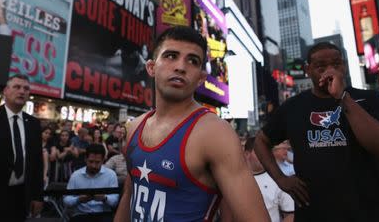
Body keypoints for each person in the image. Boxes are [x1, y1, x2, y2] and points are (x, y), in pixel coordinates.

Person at [114, 26, 269, 222]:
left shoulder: (215, 133)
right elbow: (130, 194)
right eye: (171, 56)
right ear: (151, 67)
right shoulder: (134, 127)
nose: (181, 66)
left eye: (193, 61)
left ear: (201, 78)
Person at [254, 42, 379, 222]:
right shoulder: (293, 107)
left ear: (344, 67)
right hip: (315, 214)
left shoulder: (370, 99)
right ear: (308, 70)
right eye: (320, 66)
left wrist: (342, 97)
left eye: (336, 64)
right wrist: (281, 179)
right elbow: (260, 141)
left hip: (370, 213)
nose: (330, 71)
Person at [0, 74, 44, 222]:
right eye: (17, 87)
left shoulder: (33, 124)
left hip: (21, 196)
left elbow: (37, 163)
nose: (22, 91)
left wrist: (37, 196)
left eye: (26, 88)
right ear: (5, 91)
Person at [63, 144, 119, 222]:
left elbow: (115, 201)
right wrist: (78, 199)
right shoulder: (76, 175)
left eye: (97, 162)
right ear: (85, 159)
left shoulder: (111, 175)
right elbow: (66, 200)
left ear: (103, 161)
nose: (94, 165)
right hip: (81, 214)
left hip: (103, 214)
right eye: (91, 161)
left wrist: (104, 198)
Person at [245, 137, 294, 222]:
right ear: (247, 154)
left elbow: (290, 214)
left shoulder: (279, 180)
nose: (263, 157)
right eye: (258, 153)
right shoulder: (233, 181)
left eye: (266, 153)